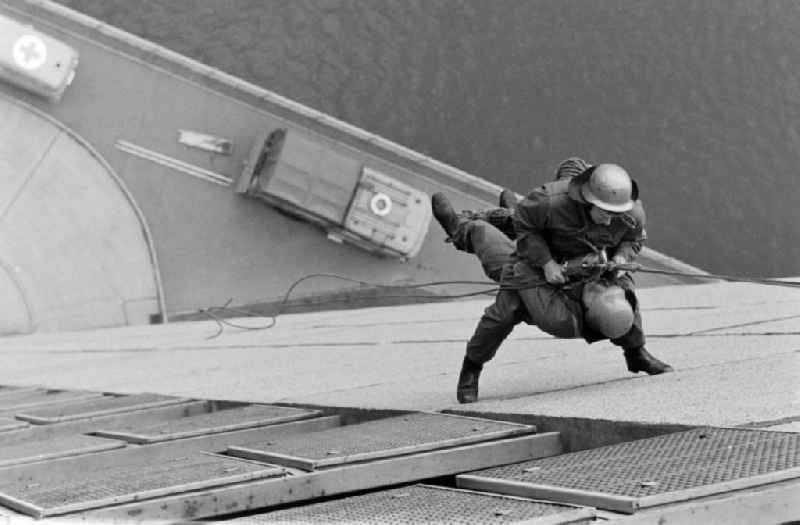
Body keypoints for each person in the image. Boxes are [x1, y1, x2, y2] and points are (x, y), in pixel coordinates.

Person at [431, 157, 673, 404]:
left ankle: (636, 353)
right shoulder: (549, 202)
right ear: (586, 200)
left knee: (624, 301)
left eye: (617, 215)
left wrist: (622, 257)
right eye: (605, 214)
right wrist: (547, 263)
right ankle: (471, 368)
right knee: (502, 314)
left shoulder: (629, 211)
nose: (611, 221)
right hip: (537, 263)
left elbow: (633, 239)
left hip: (593, 267)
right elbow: (525, 227)